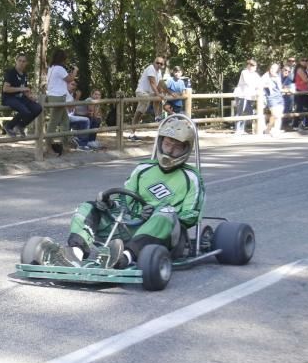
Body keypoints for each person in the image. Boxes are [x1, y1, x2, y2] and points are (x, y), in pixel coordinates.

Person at [50, 115, 202, 269]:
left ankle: (126, 257)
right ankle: (76, 252)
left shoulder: (191, 177)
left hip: (167, 235)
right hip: (133, 225)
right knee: (88, 206)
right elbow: (125, 202)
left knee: (166, 212)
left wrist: (158, 213)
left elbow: (192, 214)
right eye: (168, 144)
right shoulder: (143, 169)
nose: (170, 150)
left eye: (176, 147)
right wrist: (108, 203)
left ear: (186, 149)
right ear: (161, 142)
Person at [1, 53, 42, 137]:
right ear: (16, 61)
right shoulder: (10, 73)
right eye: (19, 61)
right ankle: (9, 126)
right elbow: (5, 89)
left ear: (26, 63)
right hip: (9, 98)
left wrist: (31, 97)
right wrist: (21, 89)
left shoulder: (24, 74)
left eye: (24, 61)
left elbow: (24, 89)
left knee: (38, 108)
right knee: (25, 111)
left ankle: (20, 126)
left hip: (21, 98)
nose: (21, 63)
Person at [45, 49, 77, 156]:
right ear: (62, 59)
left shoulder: (51, 68)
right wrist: (75, 70)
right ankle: (48, 147)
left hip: (54, 96)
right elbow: (70, 79)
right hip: (58, 97)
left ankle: (65, 145)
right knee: (53, 122)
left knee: (65, 121)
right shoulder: (59, 68)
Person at [131, 56, 167, 140]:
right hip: (142, 92)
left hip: (149, 93)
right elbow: (152, 83)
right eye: (157, 63)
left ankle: (157, 117)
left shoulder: (159, 73)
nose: (159, 65)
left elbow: (160, 84)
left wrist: (164, 93)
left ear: (163, 65)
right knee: (140, 112)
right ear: (154, 62)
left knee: (158, 99)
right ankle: (132, 133)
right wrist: (159, 94)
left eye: (161, 64)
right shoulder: (151, 68)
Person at [233, 59, 261, 135]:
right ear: (249, 66)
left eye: (255, 66)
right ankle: (238, 129)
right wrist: (256, 86)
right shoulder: (244, 72)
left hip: (249, 96)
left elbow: (260, 83)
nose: (254, 68)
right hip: (241, 95)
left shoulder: (255, 74)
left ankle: (242, 128)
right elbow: (248, 82)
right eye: (253, 66)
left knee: (250, 112)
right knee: (240, 112)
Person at [65, 81, 92, 151]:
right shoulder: (65, 93)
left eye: (75, 85)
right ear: (67, 84)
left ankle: (79, 139)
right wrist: (77, 98)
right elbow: (70, 109)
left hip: (71, 115)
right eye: (72, 84)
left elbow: (73, 109)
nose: (74, 87)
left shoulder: (70, 95)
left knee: (88, 118)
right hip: (66, 116)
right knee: (86, 120)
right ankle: (82, 144)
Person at [263, 63, 285, 136]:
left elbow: (280, 88)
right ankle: (274, 130)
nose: (273, 70)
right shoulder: (266, 75)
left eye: (275, 68)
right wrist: (267, 85)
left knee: (278, 115)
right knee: (276, 115)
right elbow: (260, 84)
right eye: (272, 68)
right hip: (271, 97)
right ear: (270, 68)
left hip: (279, 97)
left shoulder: (278, 76)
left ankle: (270, 128)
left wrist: (288, 89)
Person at [292, 58, 308, 129]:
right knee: (299, 108)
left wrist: (307, 80)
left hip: (305, 90)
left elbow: (306, 80)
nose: (305, 62)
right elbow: (306, 79)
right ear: (299, 61)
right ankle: (295, 125)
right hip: (300, 90)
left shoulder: (304, 70)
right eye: (303, 60)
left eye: (306, 60)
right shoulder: (300, 69)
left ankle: (307, 124)